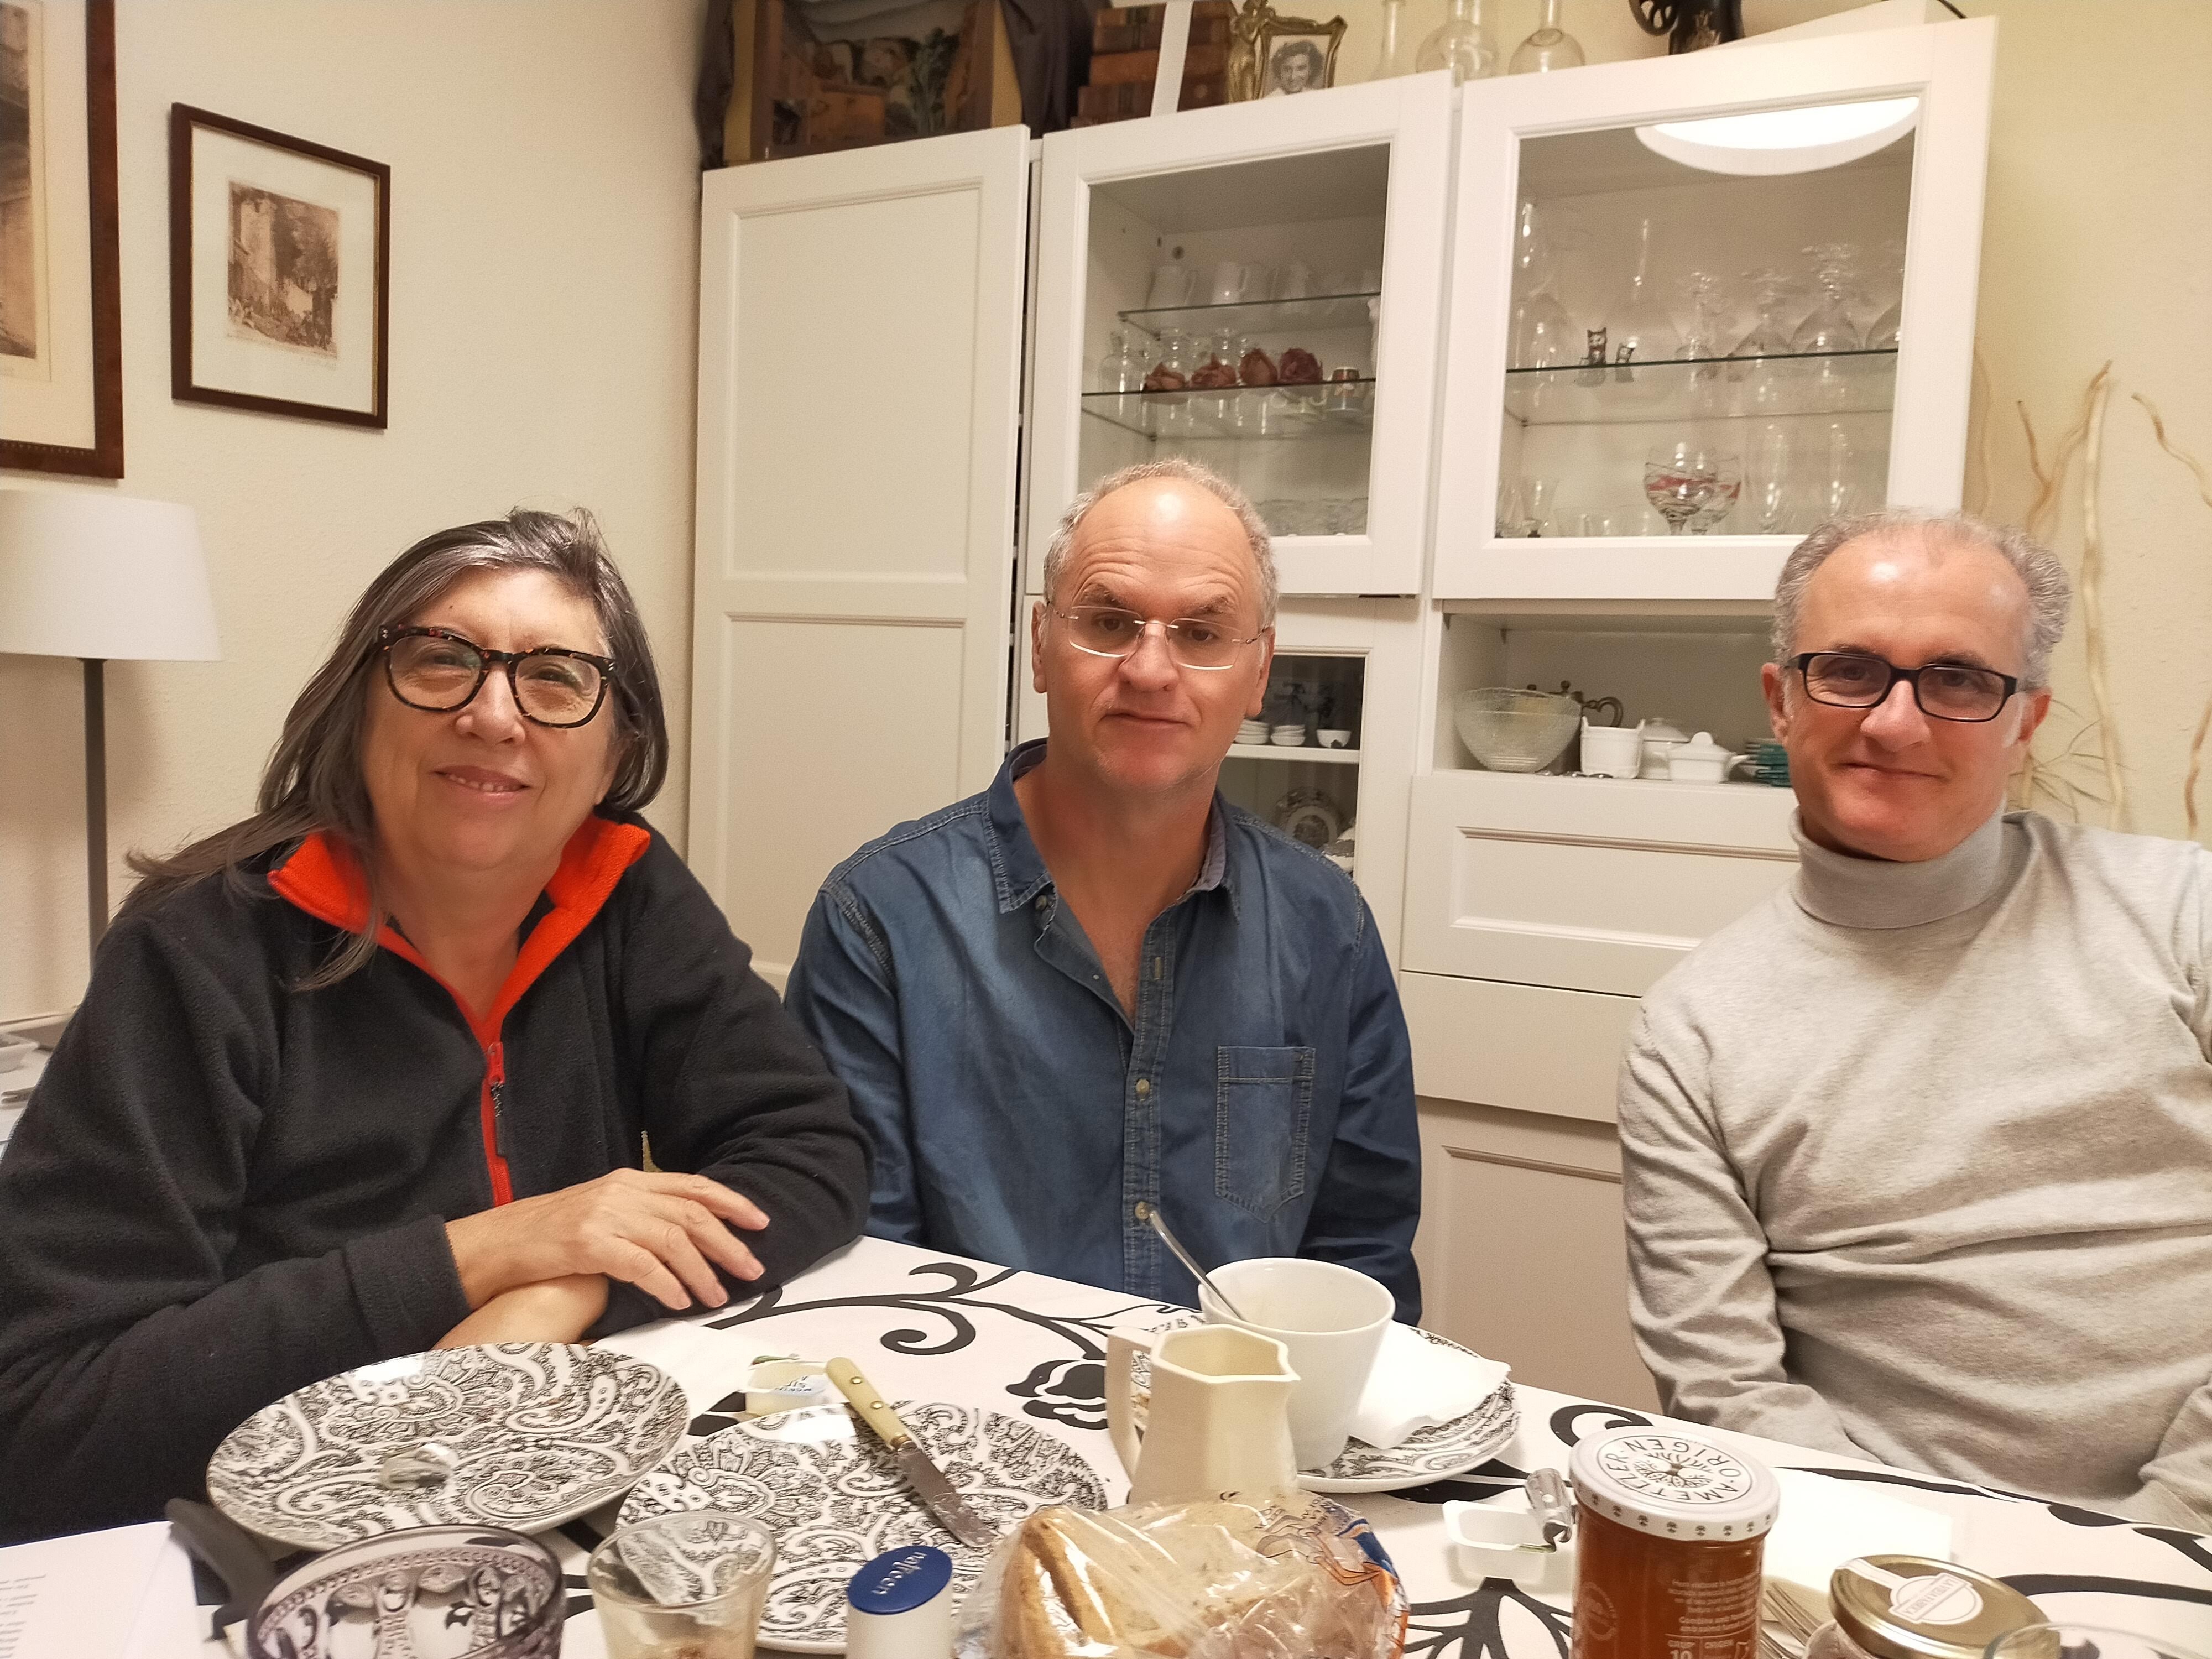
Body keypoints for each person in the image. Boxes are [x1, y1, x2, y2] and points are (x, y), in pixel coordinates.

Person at [0, 510, 871, 1543]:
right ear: (359, 707)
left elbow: (809, 1152)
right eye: (441, 660)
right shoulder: (196, 953)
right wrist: (482, 1255)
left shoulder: (628, 891)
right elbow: (46, 1416)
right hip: (275, 1533)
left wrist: (562, 1292)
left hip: (542, 1469)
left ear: (617, 750)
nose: (493, 714)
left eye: (556, 679)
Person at [1619, 508, 2212, 1528]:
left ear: (2026, 721)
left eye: (1960, 680)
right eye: (1850, 670)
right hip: (1882, 1559)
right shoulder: (1692, 1032)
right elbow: (1728, 1391)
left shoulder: (2184, 914)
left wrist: (2158, 1540)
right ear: (1781, 702)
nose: (1895, 724)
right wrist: (1923, 1568)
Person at [784, 460, 1421, 1318]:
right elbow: (866, 1280)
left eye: (1202, 633)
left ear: (1261, 671)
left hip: (1249, 1401)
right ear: (1041, 645)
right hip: (961, 1397)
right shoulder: (882, 922)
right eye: (1111, 622)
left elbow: (1362, 1268)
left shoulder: (1326, 929)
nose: (1151, 669)